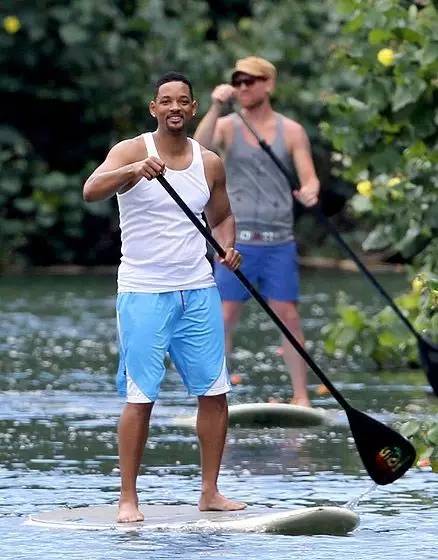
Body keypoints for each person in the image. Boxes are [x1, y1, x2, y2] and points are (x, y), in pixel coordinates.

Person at [83, 72, 246, 523]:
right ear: (154, 108)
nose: (175, 108)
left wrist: (228, 248)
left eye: (183, 102)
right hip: (142, 292)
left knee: (214, 393)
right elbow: (91, 190)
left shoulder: (209, 161)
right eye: (166, 102)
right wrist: (132, 171)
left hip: (198, 290)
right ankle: (128, 498)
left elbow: (223, 216)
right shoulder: (132, 151)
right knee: (141, 397)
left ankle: (210, 491)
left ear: (193, 109)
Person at [194, 56, 320, 407]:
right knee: (224, 315)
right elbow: (197, 148)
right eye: (238, 81)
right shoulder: (228, 127)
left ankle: (301, 396)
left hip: (279, 241)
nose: (244, 87)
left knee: (289, 316)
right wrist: (216, 107)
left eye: (251, 81)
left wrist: (310, 190)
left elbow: (308, 177)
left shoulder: (291, 130)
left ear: (269, 84)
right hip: (236, 242)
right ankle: (214, 396)